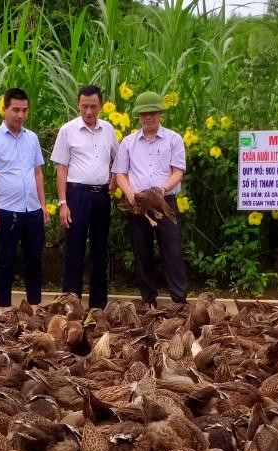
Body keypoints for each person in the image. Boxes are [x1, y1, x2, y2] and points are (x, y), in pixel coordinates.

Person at [113, 91, 189, 306]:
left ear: (160, 114)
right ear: (138, 116)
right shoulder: (128, 143)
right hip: (139, 204)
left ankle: (179, 301)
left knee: (172, 250)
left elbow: (178, 171)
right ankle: (148, 301)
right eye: (144, 113)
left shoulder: (173, 139)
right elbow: (120, 172)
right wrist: (129, 193)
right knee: (142, 252)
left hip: (165, 202)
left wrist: (162, 190)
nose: (149, 117)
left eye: (153, 113)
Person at [0, 88, 47, 311]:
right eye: (15, 110)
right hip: (6, 210)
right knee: (5, 260)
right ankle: (4, 309)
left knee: (35, 260)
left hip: (32, 209)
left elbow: (37, 172)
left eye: (24, 110)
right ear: (5, 109)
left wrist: (43, 205)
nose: (20, 115)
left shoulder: (32, 138)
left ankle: (35, 307)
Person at [52, 85, 118, 309]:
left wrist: (115, 178)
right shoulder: (67, 130)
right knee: (74, 249)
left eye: (93, 106)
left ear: (101, 106)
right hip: (76, 195)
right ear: (78, 105)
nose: (89, 111)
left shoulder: (108, 129)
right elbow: (61, 168)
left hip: (101, 197)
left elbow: (118, 160)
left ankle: (98, 306)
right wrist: (63, 203)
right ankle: (71, 305)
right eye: (84, 106)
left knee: (100, 251)